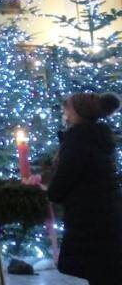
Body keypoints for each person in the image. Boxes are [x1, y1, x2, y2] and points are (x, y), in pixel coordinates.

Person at [48, 92, 122, 285]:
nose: (65, 112)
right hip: (106, 219)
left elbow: (64, 179)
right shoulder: (100, 137)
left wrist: (50, 191)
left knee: (95, 271)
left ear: (78, 111)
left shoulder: (79, 139)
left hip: (88, 222)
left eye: (68, 108)